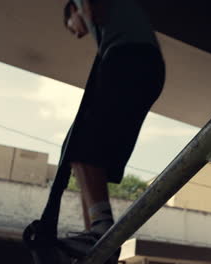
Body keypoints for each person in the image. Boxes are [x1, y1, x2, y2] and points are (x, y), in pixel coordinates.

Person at [58, 0, 165, 261]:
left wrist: (83, 7)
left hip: (127, 57)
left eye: (71, 28)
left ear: (72, 11)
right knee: (94, 159)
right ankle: (95, 237)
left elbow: (94, 11)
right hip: (149, 69)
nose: (76, 34)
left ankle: (99, 229)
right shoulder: (123, 16)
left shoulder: (87, 6)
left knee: (78, 145)